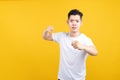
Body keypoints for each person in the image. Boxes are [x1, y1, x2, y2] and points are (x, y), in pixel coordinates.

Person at [43, 9, 98, 80]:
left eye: (77, 21)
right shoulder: (62, 36)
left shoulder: (85, 39)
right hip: (62, 78)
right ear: (67, 22)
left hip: (79, 78)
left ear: (81, 23)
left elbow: (95, 52)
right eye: (71, 21)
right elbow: (46, 37)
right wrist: (46, 31)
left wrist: (83, 47)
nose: (74, 23)